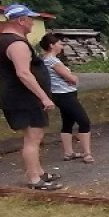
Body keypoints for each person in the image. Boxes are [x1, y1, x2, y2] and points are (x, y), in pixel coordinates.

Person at [0, 4, 61, 190]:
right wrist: (44, 97)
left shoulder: (9, 39)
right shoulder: (16, 44)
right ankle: (34, 179)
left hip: (22, 98)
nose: (32, 22)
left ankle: (39, 172)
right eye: (30, 19)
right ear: (20, 20)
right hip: (23, 99)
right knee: (32, 137)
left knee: (36, 135)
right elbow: (23, 73)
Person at [39, 33, 94, 163]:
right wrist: (73, 78)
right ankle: (87, 153)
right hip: (64, 94)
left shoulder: (45, 60)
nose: (62, 46)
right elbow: (70, 78)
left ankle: (68, 152)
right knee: (84, 121)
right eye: (59, 44)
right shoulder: (53, 61)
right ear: (51, 45)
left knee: (67, 122)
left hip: (61, 94)